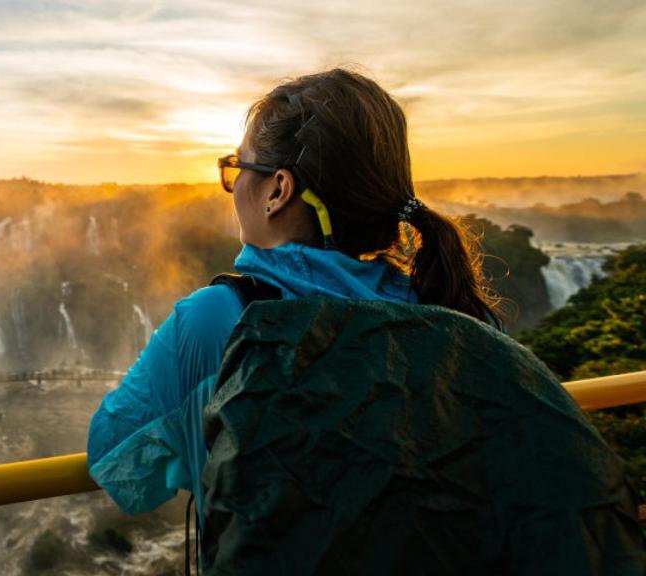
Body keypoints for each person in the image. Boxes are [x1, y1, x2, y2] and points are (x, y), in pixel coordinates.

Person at [86, 68, 643, 573]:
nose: (234, 188)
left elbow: (112, 458)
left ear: (278, 190)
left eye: (238, 169)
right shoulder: (444, 309)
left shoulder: (219, 318)